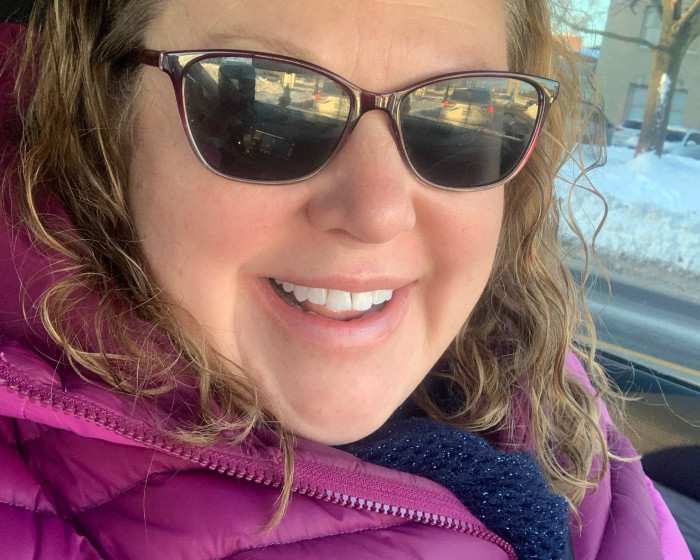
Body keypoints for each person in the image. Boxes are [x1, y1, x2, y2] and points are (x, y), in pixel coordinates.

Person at [0, 1, 692, 559]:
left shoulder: (552, 405)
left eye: (460, 114)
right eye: (266, 106)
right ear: (101, 116)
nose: (377, 212)